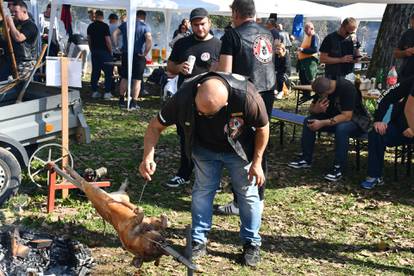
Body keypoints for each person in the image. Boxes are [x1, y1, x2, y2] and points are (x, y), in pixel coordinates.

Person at [139, 72, 269, 267]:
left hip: (240, 150)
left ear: (226, 104)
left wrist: (257, 163)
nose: (202, 116)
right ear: (198, 91)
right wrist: (148, 156)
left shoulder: (246, 96)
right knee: (202, 192)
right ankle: (198, 240)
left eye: (209, 114)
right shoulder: (183, 97)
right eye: (199, 111)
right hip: (203, 149)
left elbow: (263, 128)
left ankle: (251, 243)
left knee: (247, 194)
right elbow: (155, 127)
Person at [217, 0, 276, 215]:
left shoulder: (232, 35)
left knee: (239, 146)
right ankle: (258, 198)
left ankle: (241, 201)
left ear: (235, 12)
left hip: (243, 95)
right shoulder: (268, 33)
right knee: (261, 144)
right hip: (267, 94)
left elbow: (225, 72)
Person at [165, 7, 221, 188]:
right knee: (185, 137)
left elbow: (227, 73)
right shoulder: (183, 43)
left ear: (209, 22)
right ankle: (184, 172)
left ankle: (211, 177)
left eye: (203, 24)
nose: (200, 28)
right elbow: (170, 67)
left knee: (211, 138)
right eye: (196, 25)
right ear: (191, 25)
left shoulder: (218, 45)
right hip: (186, 99)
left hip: (210, 101)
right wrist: (179, 67)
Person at [288, 77, 369, 181]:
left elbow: (347, 116)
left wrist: (322, 123)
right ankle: (305, 159)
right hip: (333, 118)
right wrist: (316, 110)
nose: (320, 96)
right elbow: (311, 109)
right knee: (309, 121)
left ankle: (338, 167)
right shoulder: (321, 88)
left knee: (342, 128)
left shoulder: (347, 88)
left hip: (356, 121)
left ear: (327, 91)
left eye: (321, 95)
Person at [360, 77, 414, 189]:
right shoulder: (410, 81)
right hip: (403, 124)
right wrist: (380, 120)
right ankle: (374, 176)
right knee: (377, 133)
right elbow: (389, 98)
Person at [112, 10, 152, 110]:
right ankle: (133, 103)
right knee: (137, 80)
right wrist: (146, 53)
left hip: (126, 54)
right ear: (144, 17)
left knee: (124, 77)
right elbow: (149, 39)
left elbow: (114, 33)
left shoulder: (126, 24)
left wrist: (116, 46)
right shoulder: (145, 26)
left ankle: (121, 100)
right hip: (139, 55)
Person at [4, 1, 38, 79]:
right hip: (14, 61)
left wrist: (11, 23)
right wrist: (8, 26)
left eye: (16, 12)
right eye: (13, 12)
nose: (13, 14)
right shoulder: (17, 24)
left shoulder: (30, 25)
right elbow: (7, 38)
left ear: (24, 11)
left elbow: (19, 38)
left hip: (25, 63)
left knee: (21, 85)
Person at [87, 10, 113, 100]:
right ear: (102, 16)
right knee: (108, 72)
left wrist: (91, 50)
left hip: (94, 51)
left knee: (95, 72)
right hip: (104, 52)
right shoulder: (105, 26)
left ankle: (94, 91)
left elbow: (89, 40)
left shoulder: (90, 26)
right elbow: (108, 40)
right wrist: (111, 51)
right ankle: (107, 92)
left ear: (96, 16)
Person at [296, 22, 319, 100]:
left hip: (310, 63)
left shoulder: (314, 37)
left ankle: (316, 96)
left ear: (311, 28)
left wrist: (302, 50)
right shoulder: (307, 37)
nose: (305, 30)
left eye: (306, 28)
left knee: (309, 80)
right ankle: (306, 95)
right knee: (303, 79)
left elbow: (314, 49)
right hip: (303, 62)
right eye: (304, 28)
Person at [394, 14, 414, 81]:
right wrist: (405, 52)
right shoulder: (408, 33)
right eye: (412, 24)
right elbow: (396, 54)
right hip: (405, 75)